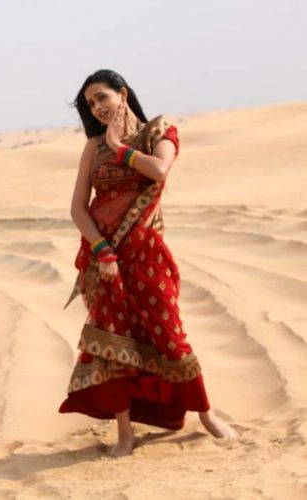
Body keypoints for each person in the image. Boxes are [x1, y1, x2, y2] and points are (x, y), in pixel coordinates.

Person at [59, 69, 236, 458]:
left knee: (169, 333)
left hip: (147, 255)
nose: (97, 107)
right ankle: (125, 433)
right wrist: (103, 251)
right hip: (103, 260)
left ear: (122, 94)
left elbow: (159, 170)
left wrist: (119, 146)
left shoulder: (159, 131)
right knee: (114, 342)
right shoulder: (92, 147)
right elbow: (78, 208)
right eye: (90, 104)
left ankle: (205, 414)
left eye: (101, 98)